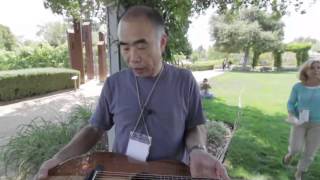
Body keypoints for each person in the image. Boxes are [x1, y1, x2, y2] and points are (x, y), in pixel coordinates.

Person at [35, 5, 230, 180]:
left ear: (162, 42)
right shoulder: (114, 84)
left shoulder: (184, 80)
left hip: (169, 174)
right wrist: (58, 158)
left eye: (141, 46)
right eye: (125, 48)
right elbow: (94, 129)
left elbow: (194, 125)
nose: (132, 58)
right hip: (121, 174)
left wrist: (198, 150)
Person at [282, 59, 320, 180]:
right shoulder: (298, 87)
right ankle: (290, 154)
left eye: (319, 68)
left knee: (310, 152)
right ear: (305, 70)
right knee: (295, 148)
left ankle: (299, 171)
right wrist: (291, 115)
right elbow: (291, 103)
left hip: (318, 124)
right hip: (300, 121)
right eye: (312, 68)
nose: (316, 70)